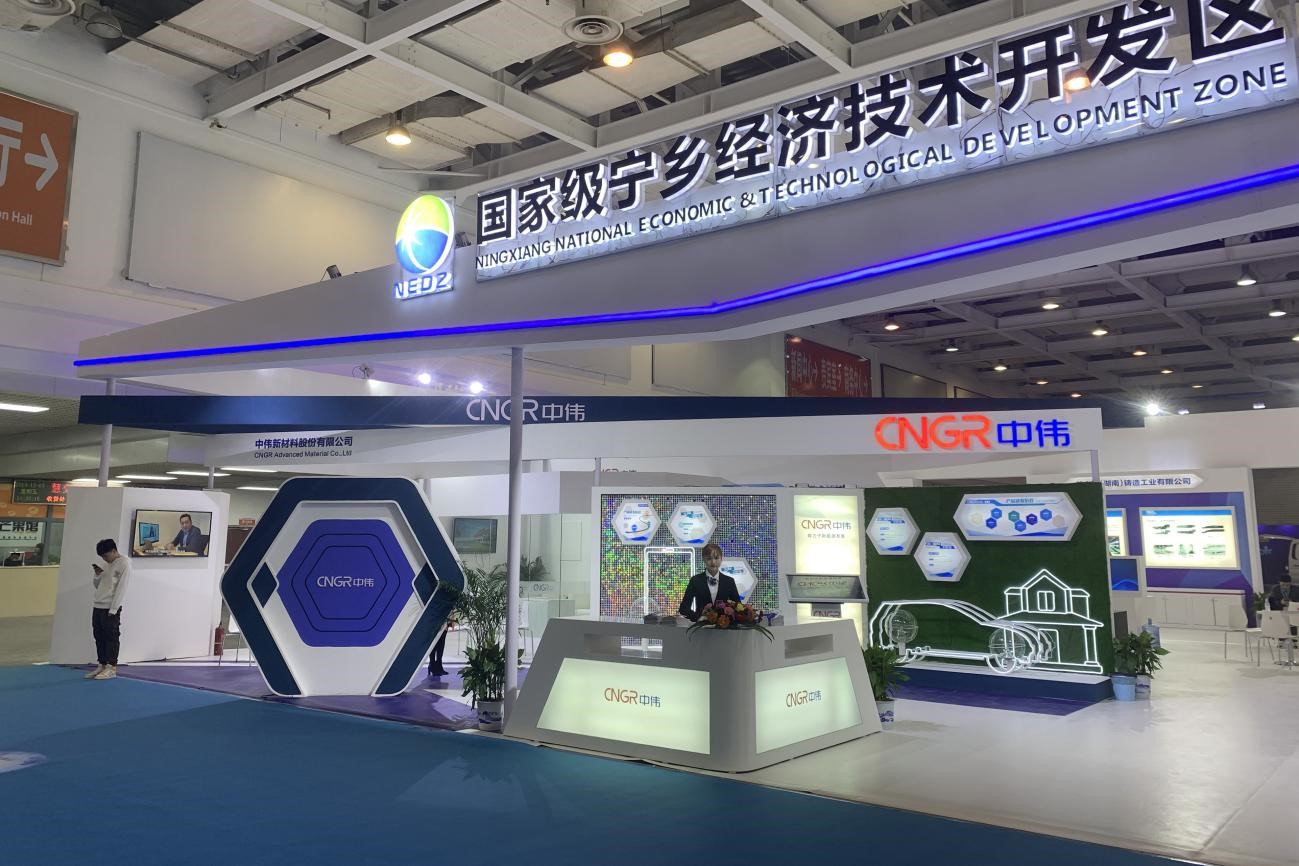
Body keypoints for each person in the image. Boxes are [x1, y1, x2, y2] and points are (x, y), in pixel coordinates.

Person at [87, 538, 130, 680]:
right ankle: (102, 664)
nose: (104, 559)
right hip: (98, 605)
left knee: (111, 637)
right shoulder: (106, 564)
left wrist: (114, 609)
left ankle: (111, 667)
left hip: (111, 607)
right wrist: (97, 575)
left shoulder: (124, 563)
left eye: (106, 555)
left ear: (113, 550)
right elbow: (97, 585)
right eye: (102, 557)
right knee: (99, 636)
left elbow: (122, 588)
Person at [678, 542, 740, 622]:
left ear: (721, 559)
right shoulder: (695, 580)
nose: (713, 562)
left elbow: (738, 607)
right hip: (701, 627)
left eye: (716, 558)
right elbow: (683, 608)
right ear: (704, 559)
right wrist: (698, 617)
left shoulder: (729, 581)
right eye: (709, 558)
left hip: (724, 626)